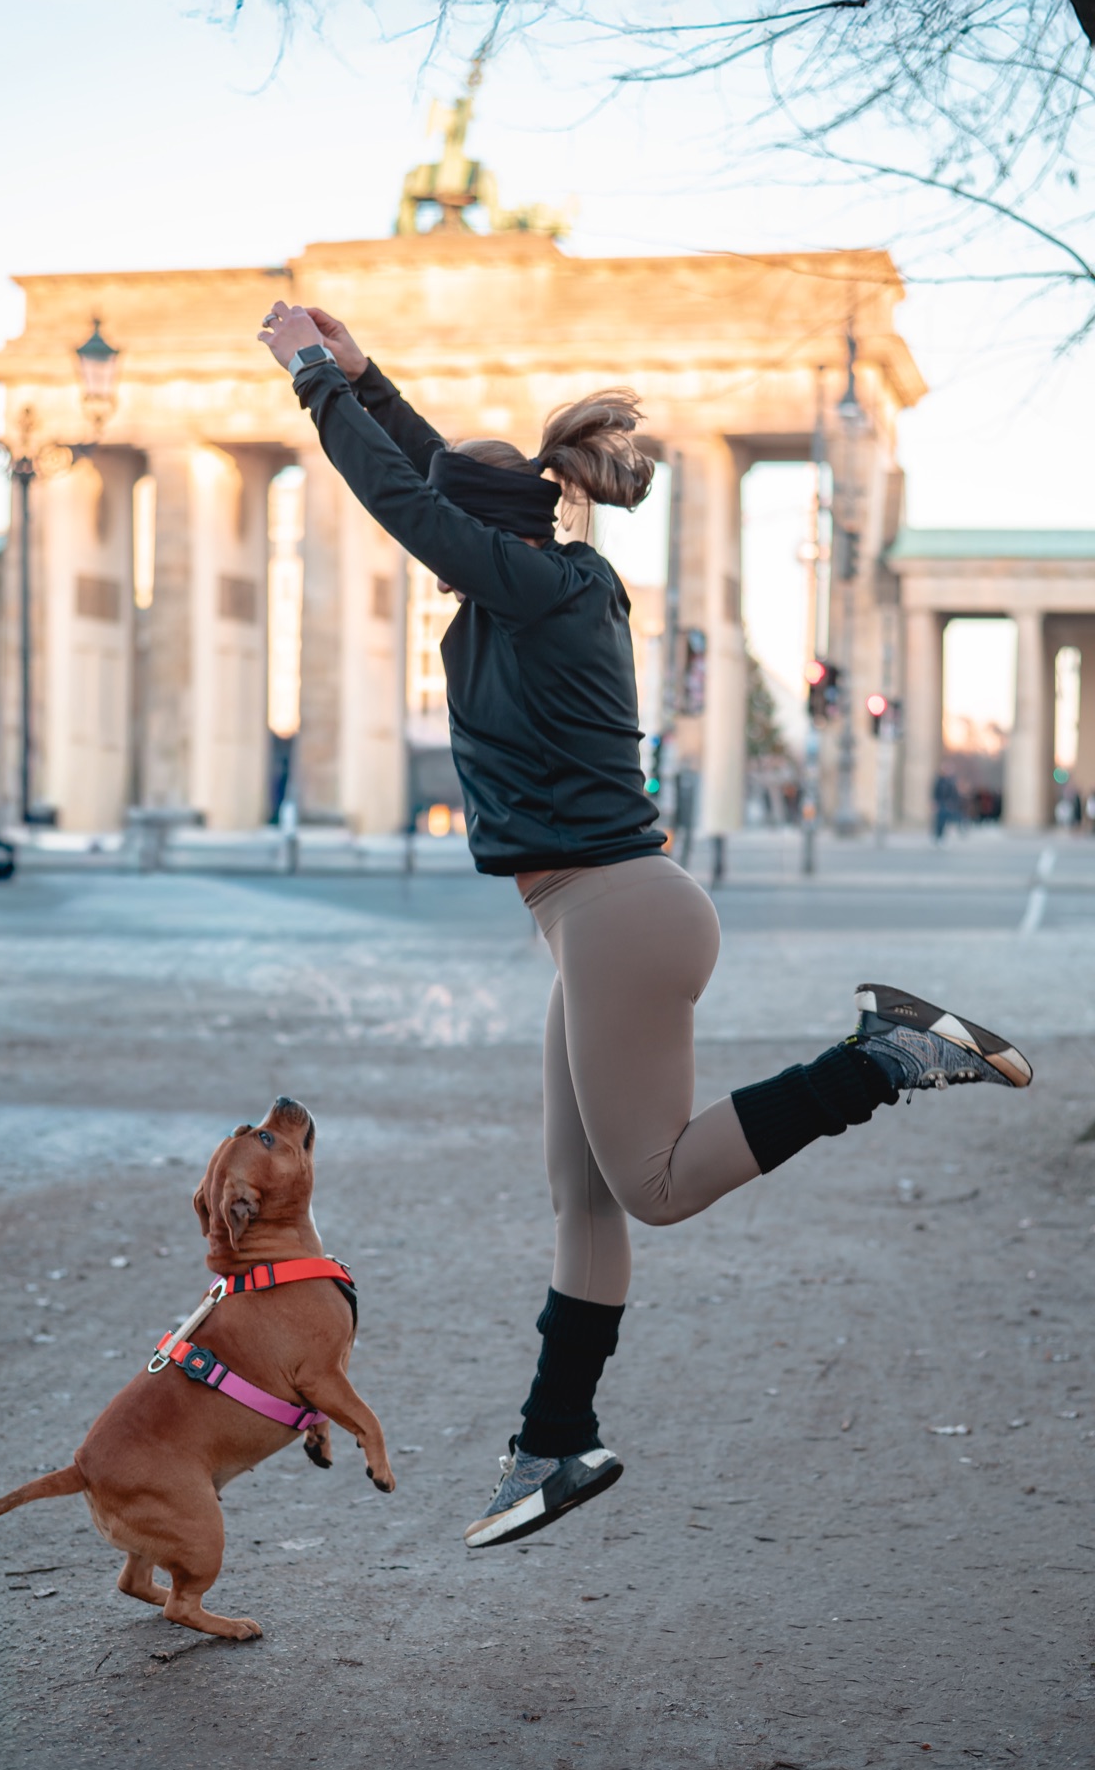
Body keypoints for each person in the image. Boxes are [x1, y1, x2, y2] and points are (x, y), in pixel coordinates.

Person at [257, 300, 1034, 1550]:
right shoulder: (529, 576)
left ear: (491, 539)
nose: (438, 557)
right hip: (595, 919)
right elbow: (437, 479)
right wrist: (366, 375)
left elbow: (413, 503)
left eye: (458, 541)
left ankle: (884, 1056)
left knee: (655, 1185)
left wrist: (311, 381)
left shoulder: (552, 590)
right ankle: (553, 1445)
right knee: (585, 1193)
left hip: (619, 912)